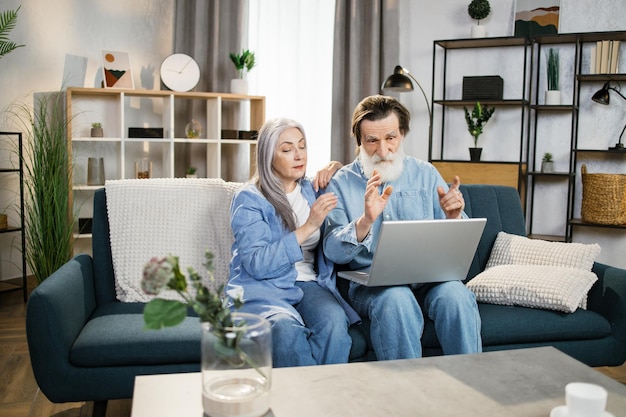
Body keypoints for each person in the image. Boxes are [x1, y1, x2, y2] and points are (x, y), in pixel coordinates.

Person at [323, 94, 482, 360]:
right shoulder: (341, 182)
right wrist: (365, 221)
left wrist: (453, 217)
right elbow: (332, 251)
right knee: (396, 299)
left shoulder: (425, 173)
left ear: (403, 134)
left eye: (390, 138)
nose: (383, 151)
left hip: (430, 279)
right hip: (373, 286)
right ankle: (406, 394)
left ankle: (470, 386)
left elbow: (457, 244)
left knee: (456, 295)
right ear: (359, 140)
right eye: (372, 141)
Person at [226, 117, 360, 368]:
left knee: (333, 320)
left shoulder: (311, 189)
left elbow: (350, 180)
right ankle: (304, 400)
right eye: (287, 150)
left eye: (302, 146)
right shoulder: (249, 198)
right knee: (285, 330)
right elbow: (257, 263)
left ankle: (328, 395)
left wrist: (336, 166)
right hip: (263, 286)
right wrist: (308, 226)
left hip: (308, 283)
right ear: (268, 156)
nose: (298, 155)